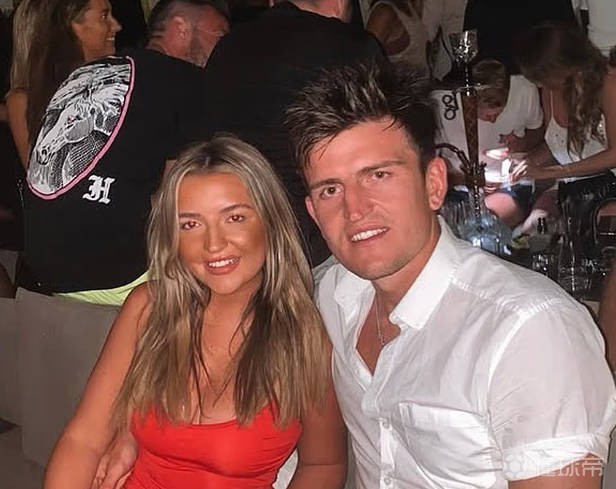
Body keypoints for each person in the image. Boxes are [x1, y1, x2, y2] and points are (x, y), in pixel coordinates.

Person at [284, 60, 616, 488]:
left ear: (434, 184)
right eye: (331, 189)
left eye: (379, 175)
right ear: (313, 212)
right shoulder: (332, 296)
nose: (355, 209)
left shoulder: (529, 331)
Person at [43, 135, 347, 489]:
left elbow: (323, 464)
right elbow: (83, 440)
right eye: (190, 224)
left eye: (234, 217)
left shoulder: (305, 339)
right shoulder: (148, 308)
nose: (213, 244)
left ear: (271, 222)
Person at [23, 0, 229, 306]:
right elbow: (180, 198)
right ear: (181, 28)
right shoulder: (190, 82)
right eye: (220, 34)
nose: (226, 46)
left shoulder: (85, 73)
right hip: (121, 275)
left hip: (43, 268)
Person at [199, 0, 383, 267]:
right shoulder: (349, 45)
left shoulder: (225, 48)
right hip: (318, 240)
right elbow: (385, 143)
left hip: (240, 235)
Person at [514, 22, 616, 249]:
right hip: (573, 192)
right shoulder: (549, 91)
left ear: (563, 66)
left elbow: (614, 155)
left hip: (608, 192)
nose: (538, 83)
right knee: (531, 231)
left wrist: (553, 172)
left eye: (542, 76)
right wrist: (527, 162)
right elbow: (557, 143)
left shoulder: (608, 84)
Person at [434, 58, 543, 227]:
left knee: (484, 224)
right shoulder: (442, 103)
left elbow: (537, 134)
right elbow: (430, 161)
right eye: (488, 115)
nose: (493, 121)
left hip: (508, 185)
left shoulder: (525, 90)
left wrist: (519, 145)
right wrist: (465, 179)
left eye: (499, 113)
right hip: (457, 189)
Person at [19, 0, 122, 167]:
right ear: (73, 25)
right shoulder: (28, 98)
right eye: (104, 16)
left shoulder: (118, 80)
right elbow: (40, 171)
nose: (117, 26)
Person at [365, 0, 428, 69]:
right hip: (402, 75)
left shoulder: (406, 4)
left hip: (424, 73)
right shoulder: (383, 13)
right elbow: (368, 62)